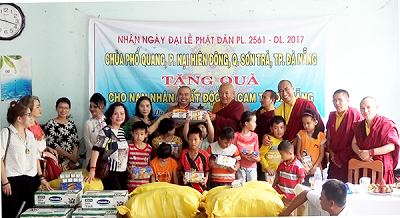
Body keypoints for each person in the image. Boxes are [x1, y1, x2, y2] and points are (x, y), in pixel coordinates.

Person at [1, 100, 52, 218]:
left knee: (28, 213)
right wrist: (4, 181)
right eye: (28, 115)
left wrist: (41, 177)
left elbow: (35, 157)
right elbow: (0, 158)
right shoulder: (6, 133)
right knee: (12, 213)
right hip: (12, 181)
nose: (31, 117)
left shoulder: (29, 135)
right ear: (19, 119)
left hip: (30, 180)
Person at [351, 96, 399, 184]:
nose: (365, 111)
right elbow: (354, 143)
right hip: (364, 165)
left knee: (381, 193)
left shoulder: (386, 123)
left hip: (381, 167)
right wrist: (361, 154)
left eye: (368, 107)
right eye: (362, 108)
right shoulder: (359, 126)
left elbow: (392, 146)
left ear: (376, 108)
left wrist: (370, 152)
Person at [85, 102, 129, 190]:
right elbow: (96, 150)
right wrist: (92, 170)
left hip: (123, 173)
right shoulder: (106, 131)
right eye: (115, 113)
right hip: (110, 174)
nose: (119, 116)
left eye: (122, 113)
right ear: (110, 116)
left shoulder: (122, 131)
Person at [326, 89, 363, 182]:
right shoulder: (332, 116)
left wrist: (340, 158)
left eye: (340, 100)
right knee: (331, 189)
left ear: (347, 100)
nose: (337, 103)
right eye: (334, 100)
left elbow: (358, 141)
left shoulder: (354, 115)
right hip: (334, 161)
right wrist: (332, 156)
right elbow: (328, 138)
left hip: (348, 161)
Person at [279, 179, 351, 216]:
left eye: (322, 197)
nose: (319, 198)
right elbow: (306, 193)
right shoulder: (328, 205)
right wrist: (286, 213)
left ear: (332, 203)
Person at [44, 97, 79, 171]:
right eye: (61, 107)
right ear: (56, 108)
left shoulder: (72, 124)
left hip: (71, 163)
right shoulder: (51, 124)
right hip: (56, 163)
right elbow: (52, 144)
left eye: (66, 108)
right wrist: (70, 156)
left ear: (69, 109)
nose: (63, 110)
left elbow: (75, 142)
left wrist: (73, 160)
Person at [273, 140, 305, 212]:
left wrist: (299, 195)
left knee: (289, 213)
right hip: (281, 194)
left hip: (292, 197)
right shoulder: (281, 164)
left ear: (290, 153)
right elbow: (278, 175)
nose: (281, 156)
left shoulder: (298, 166)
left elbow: (301, 181)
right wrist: (273, 185)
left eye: (282, 154)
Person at [178, 127, 209, 193]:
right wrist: (184, 177)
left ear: (201, 140)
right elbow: (181, 169)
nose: (193, 142)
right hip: (187, 188)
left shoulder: (204, 154)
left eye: (195, 139)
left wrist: (205, 179)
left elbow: (207, 170)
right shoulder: (183, 154)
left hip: (201, 188)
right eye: (190, 139)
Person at [296, 109, 326, 177]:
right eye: (304, 123)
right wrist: (302, 166)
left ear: (315, 122)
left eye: (308, 123)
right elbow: (298, 152)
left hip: (317, 169)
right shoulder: (301, 134)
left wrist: (315, 167)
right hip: (303, 169)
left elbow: (321, 154)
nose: (306, 126)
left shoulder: (321, 136)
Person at [233, 111, 260, 182]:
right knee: (241, 188)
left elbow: (257, 154)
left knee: (252, 188)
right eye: (254, 122)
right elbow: (232, 153)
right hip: (240, 167)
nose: (255, 125)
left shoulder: (255, 136)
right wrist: (241, 156)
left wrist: (255, 157)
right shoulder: (236, 136)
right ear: (246, 123)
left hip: (252, 168)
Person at [127, 121, 153, 192]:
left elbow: (149, 163)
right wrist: (130, 173)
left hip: (145, 183)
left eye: (142, 134)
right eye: (136, 134)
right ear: (132, 134)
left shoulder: (149, 148)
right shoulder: (129, 147)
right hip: (132, 183)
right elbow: (125, 164)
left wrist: (150, 171)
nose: (139, 136)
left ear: (146, 135)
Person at [83, 93, 107, 169]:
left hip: (106, 161)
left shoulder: (108, 122)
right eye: (91, 106)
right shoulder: (88, 123)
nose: (92, 109)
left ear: (103, 107)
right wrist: (97, 153)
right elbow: (88, 144)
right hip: (91, 160)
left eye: (95, 107)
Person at [260, 116, 286, 184]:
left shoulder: (284, 141)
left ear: (285, 128)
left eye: (281, 127)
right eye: (276, 128)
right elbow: (260, 155)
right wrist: (267, 167)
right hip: (268, 173)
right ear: (271, 129)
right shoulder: (268, 140)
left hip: (279, 172)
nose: (279, 130)